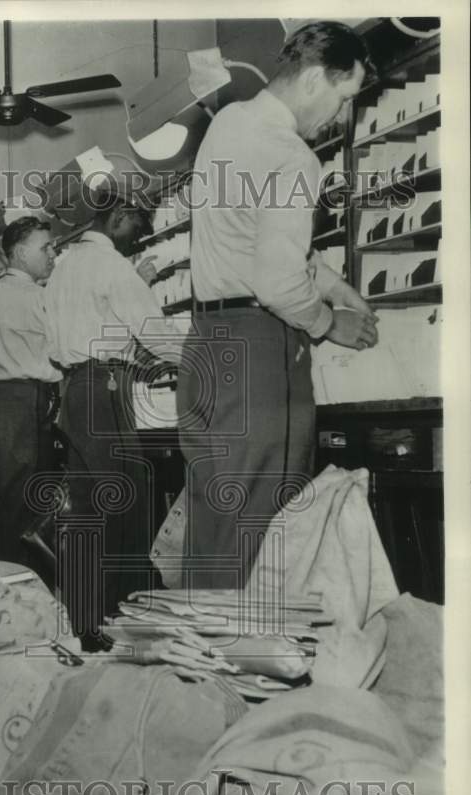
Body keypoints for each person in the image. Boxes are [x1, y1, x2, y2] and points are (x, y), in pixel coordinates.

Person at [178, 21, 379, 589]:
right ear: (316, 78)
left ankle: (193, 669)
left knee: (216, 524)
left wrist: (328, 278)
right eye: (344, 98)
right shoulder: (294, 156)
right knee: (261, 530)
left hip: (208, 346)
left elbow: (248, 238)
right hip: (260, 355)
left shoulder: (226, 125)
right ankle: (242, 669)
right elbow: (275, 284)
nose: (340, 117)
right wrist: (327, 322)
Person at [45, 190, 178, 645]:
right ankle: (121, 616)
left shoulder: (63, 267)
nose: (136, 237)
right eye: (137, 226)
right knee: (126, 500)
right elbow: (155, 333)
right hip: (104, 390)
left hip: (78, 390)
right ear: (119, 216)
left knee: (88, 510)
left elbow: (85, 337)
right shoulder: (111, 266)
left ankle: (87, 618)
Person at [0, 217, 62, 567]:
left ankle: (4, 579)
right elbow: (59, 350)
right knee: (29, 501)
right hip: (26, 400)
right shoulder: (35, 295)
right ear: (21, 253)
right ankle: (26, 581)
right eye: (46, 247)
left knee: (6, 495)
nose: (53, 253)